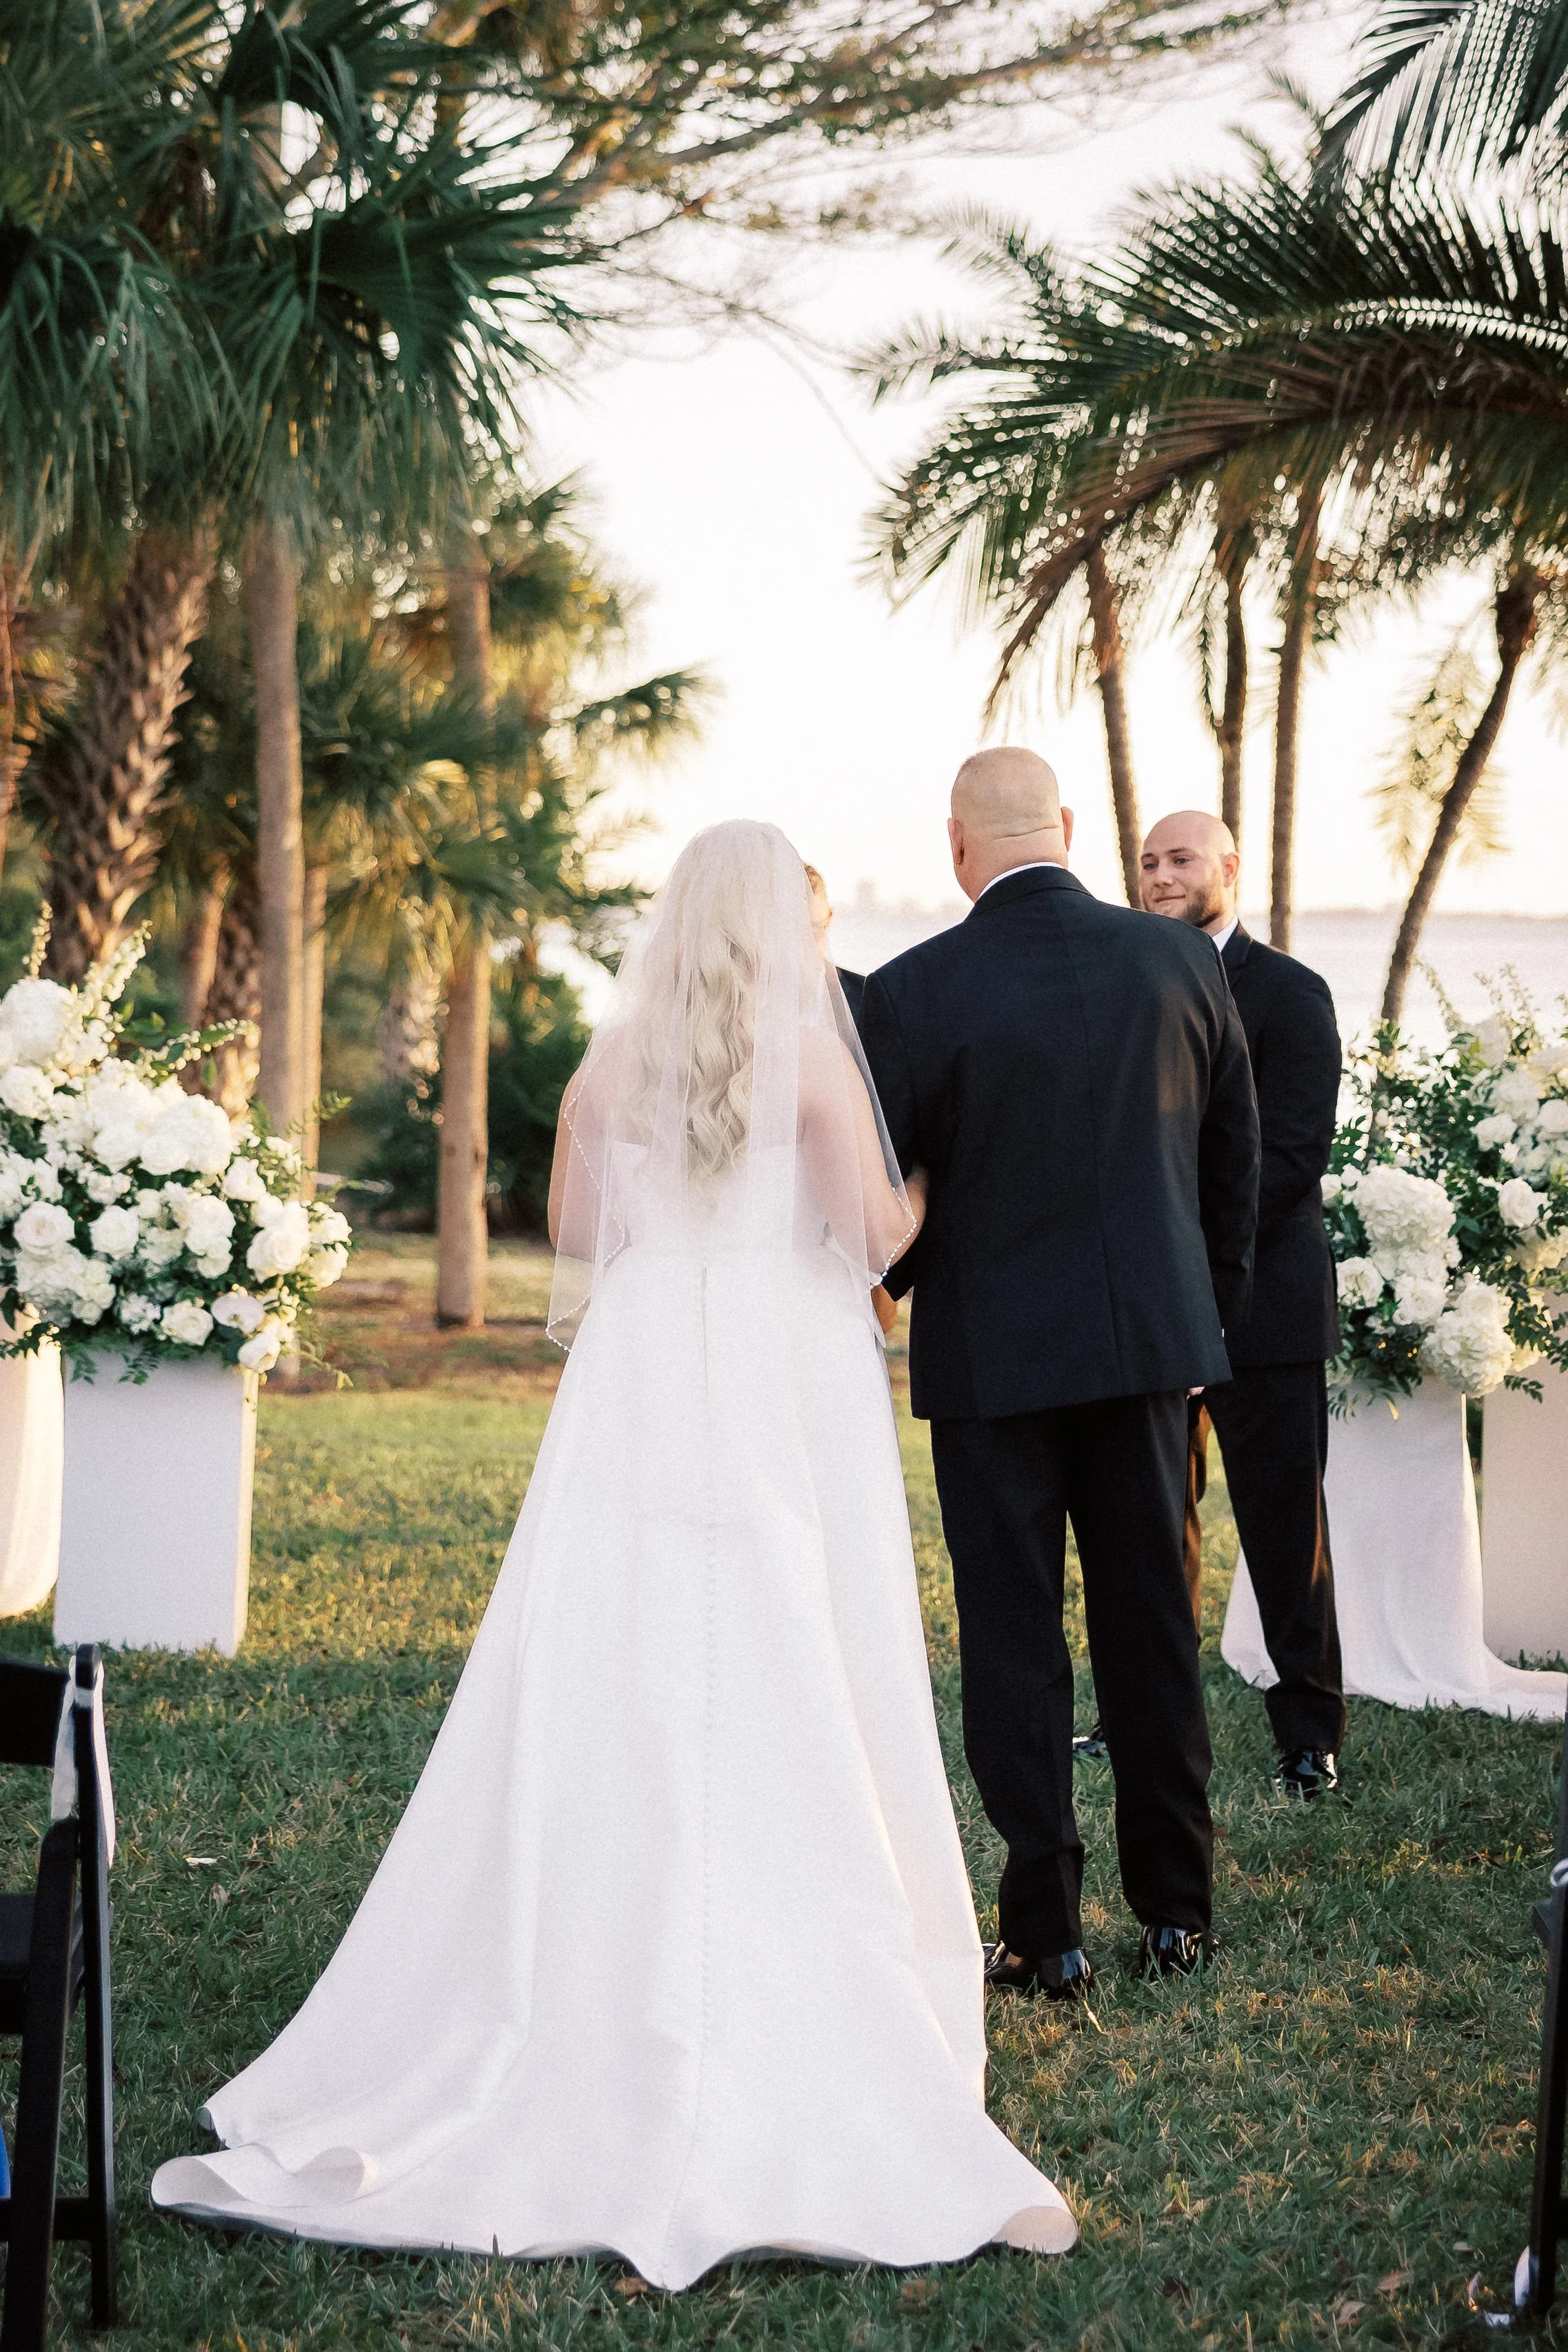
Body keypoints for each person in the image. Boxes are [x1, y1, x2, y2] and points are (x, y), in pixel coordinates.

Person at [151, 821, 1076, 2287]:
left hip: (648, 1360)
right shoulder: (814, 1057)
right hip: (784, 1372)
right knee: (795, 1647)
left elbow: (577, 1233)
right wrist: (936, 1186)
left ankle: (582, 1952)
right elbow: (878, 1241)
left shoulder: (616, 1051)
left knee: (619, 1641)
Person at [858, 750, 1259, 2002]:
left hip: (990, 1368)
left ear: (955, 846)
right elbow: (1229, 1172)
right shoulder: (1182, 959)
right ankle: (1177, 1914)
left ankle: (1045, 1931)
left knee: (1014, 1640)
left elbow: (891, 1206)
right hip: (1150, 1356)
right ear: (1070, 829)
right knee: (1150, 1626)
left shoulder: (912, 989)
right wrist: (1203, 1338)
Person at [1137, 811, 1346, 1799]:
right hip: (1149, 1310)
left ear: (1229, 868)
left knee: (1281, 1526)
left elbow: (1293, 1154)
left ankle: (1309, 1734)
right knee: (1148, 1525)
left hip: (1264, 1306)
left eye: (1179, 858)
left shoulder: (1293, 994)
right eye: (1145, 861)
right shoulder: (1130, 986)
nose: (1160, 874)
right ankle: (1143, 1712)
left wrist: (1189, 1248)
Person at [805, 861, 865, 1026]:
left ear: (829, 918)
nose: (804, 944)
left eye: (814, 929)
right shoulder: (746, 998)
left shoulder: (866, 996)